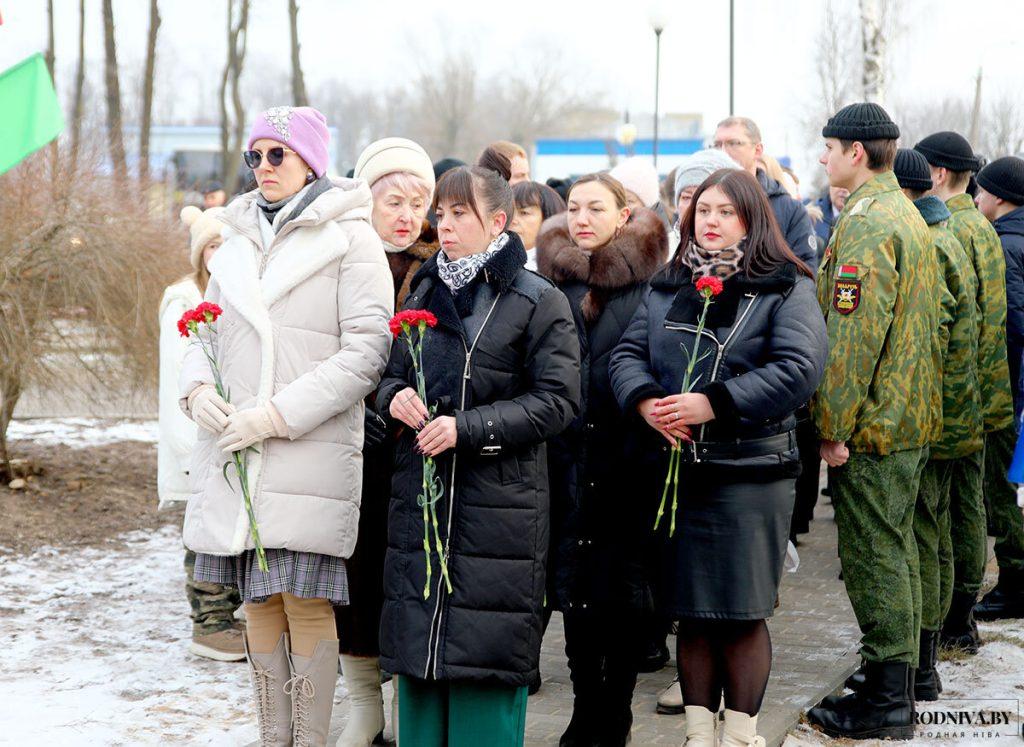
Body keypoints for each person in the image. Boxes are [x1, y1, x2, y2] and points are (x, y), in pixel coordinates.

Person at [179, 105, 394, 745]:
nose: (264, 168)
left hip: (307, 449)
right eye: (255, 156)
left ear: (310, 160)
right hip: (236, 451)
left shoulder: (352, 237)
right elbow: (204, 328)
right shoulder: (236, 236)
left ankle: (313, 737)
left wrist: (276, 415)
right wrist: (195, 389)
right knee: (260, 601)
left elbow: (366, 352)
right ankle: (276, 736)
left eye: (277, 154)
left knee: (304, 599)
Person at [609, 168, 826, 747]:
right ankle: (699, 734)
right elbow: (627, 353)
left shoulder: (785, 285)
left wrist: (715, 403)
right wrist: (647, 401)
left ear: (752, 220)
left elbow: (798, 370)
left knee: (741, 610)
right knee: (693, 610)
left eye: (726, 212)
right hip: (680, 473)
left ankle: (741, 734)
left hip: (750, 471)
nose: (711, 221)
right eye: (703, 210)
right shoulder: (668, 282)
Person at [376, 164, 581, 746]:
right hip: (422, 503)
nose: (444, 224)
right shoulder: (423, 288)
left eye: (459, 213)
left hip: (499, 511)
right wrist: (397, 399)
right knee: (420, 662)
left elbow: (558, 402)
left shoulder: (536, 298)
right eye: (439, 212)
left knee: (482, 670)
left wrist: (468, 429)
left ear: (497, 221)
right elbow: (391, 377)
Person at [806, 103, 942, 740]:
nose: (825, 158)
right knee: (899, 548)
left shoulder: (868, 223)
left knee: (875, 556)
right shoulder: (902, 211)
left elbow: (853, 339)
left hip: (875, 425)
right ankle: (900, 678)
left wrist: (831, 424)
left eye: (829, 148)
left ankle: (888, 698)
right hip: (906, 413)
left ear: (855, 152)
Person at [536, 172, 667, 746]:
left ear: (624, 213)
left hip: (627, 461)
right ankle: (585, 706)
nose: (581, 218)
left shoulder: (651, 287)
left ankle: (615, 711)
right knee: (575, 593)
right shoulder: (549, 286)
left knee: (622, 591)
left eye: (595, 208)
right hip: (564, 463)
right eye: (572, 208)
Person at [324, 136, 437, 746]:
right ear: (364, 197)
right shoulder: (337, 254)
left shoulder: (440, 269)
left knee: (408, 578)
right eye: (393, 199)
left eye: (418, 203)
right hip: (346, 445)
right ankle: (364, 702)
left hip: (415, 447)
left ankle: (403, 701)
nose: (405, 215)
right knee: (356, 578)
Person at [915, 130, 1014, 652]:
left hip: (957, 394)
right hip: (981, 389)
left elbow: (960, 323)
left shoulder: (953, 226)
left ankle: (954, 619)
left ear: (936, 174)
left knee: (954, 511)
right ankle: (959, 619)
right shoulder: (979, 225)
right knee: (967, 505)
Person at [895, 148, 981, 700]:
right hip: (950, 410)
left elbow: (932, 341)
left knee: (925, 534)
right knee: (936, 529)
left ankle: (923, 661)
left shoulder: (931, 242)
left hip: (933, 414)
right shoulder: (946, 234)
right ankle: (928, 654)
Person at [158, 205, 245, 663]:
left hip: (223, 430)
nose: (219, 253)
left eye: (226, 244)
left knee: (226, 525)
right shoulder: (184, 301)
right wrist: (188, 444)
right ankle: (208, 621)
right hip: (194, 433)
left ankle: (228, 612)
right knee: (203, 531)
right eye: (212, 245)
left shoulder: (233, 290)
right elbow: (180, 375)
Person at [975, 155, 1024, 620]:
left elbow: (1011, 324)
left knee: (1006, 489)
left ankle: (1015, 584)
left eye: (982, 191)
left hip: (1012, 390)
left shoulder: (1005, 245)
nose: (977, 198)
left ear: (1001, 197)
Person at [712, 116, 817, 270]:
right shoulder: (701, 204)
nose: (722, 151)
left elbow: (804, 274)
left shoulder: (789, 210)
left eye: (733, 143)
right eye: (716, 145)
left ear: (758, 150)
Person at [511, 180, 566, 271]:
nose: (512, 221)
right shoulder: (488, 263)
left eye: (524, 213)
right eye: (508, 213)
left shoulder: (563, 269)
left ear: (548, 219)